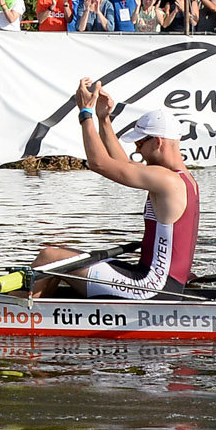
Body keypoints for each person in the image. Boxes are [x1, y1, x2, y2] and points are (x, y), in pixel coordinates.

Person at [32, 84, 197, 298]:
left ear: (157, 142)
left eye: (139, 143)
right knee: (68, 258)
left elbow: (99, 163)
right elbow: (122, 164)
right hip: (161, 283)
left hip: (151, 288)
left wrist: (85, 113)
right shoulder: (182, 179)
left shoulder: (166, 180)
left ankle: (13, 316)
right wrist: (104, 119)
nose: (137, 150)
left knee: (50, 257)